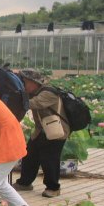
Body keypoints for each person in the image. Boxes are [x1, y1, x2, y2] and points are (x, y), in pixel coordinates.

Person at [13, 69, 69, 198]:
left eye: (24, 82)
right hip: (41, 131)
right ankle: (25, 183)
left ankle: (53, 187)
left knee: (49, 160)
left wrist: (15, 95)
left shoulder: (48, 93)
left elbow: (33, 104)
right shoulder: (32, 92)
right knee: (29, 155)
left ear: (33, 83)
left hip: (57, 131)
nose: (22, 85)